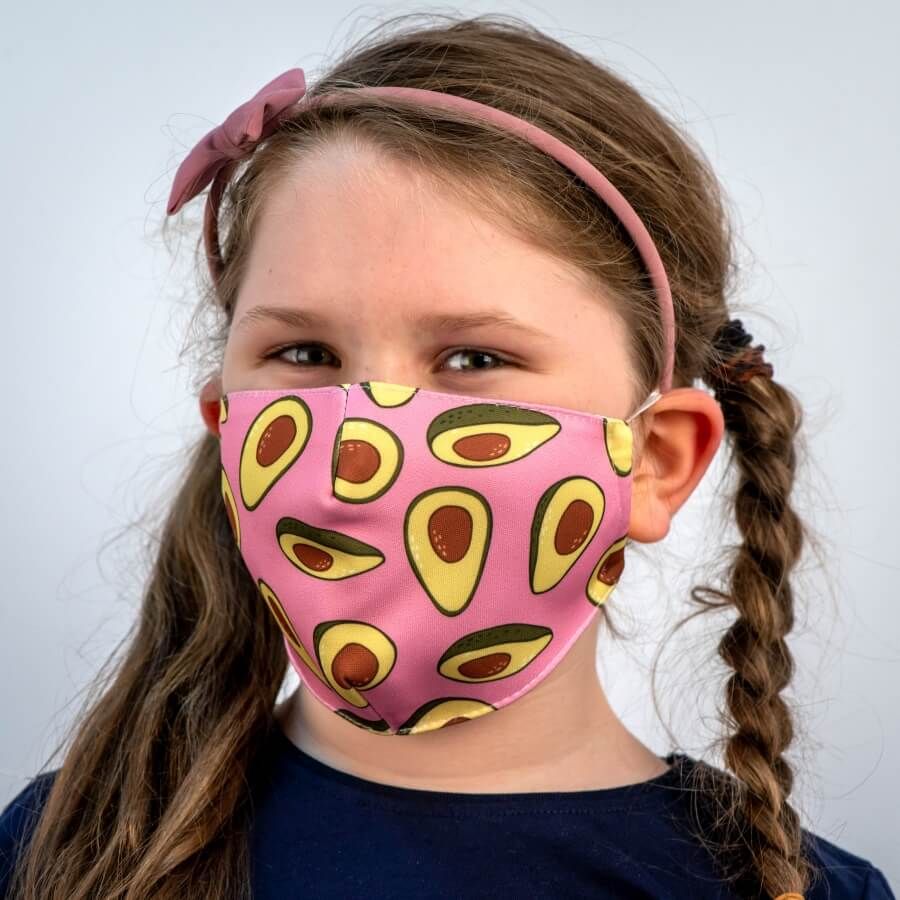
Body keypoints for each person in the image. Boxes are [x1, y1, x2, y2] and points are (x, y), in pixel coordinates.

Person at [1, 12, 893, 900]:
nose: (362, 447)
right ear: (225, 425)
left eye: (472, 359)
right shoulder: (64, 848)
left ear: (654, 461)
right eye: (305, 354)